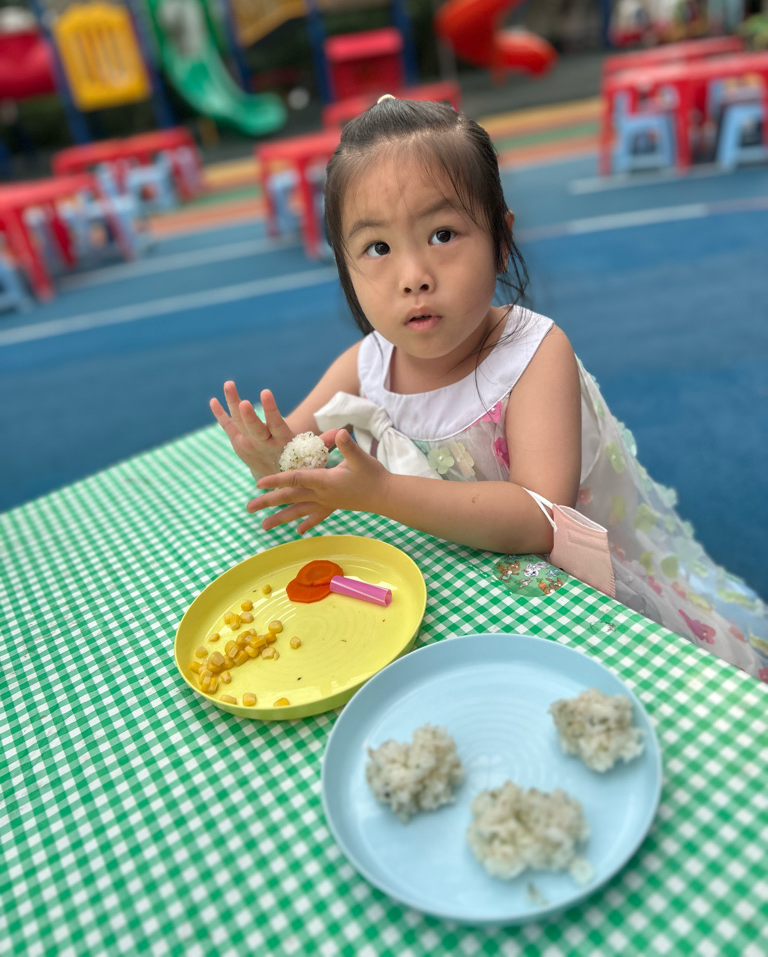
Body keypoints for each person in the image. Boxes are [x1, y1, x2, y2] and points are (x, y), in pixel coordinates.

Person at [211, 96, 767, 680]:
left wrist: (380, 493)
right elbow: (294, 451)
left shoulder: (533, 355)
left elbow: (540, 519)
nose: (414, 277)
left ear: (501, 240)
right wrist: (273, 460)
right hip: (453, 599)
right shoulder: (366, 363)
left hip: (563, 595)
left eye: (442, 234)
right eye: (377, 248)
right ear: (345, 266)